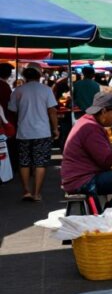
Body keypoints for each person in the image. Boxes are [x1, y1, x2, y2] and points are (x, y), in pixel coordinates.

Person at [9, 67, 58, 202]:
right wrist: (55, 129)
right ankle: (37, 193)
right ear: (39, 76)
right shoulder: (46, 90)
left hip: (23, 131)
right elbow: (52, 111)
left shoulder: (18, 91)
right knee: (40, 163)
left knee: (24, 163)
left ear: (25, 77)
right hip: (42, 131)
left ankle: (26, 191)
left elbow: (12, 110)